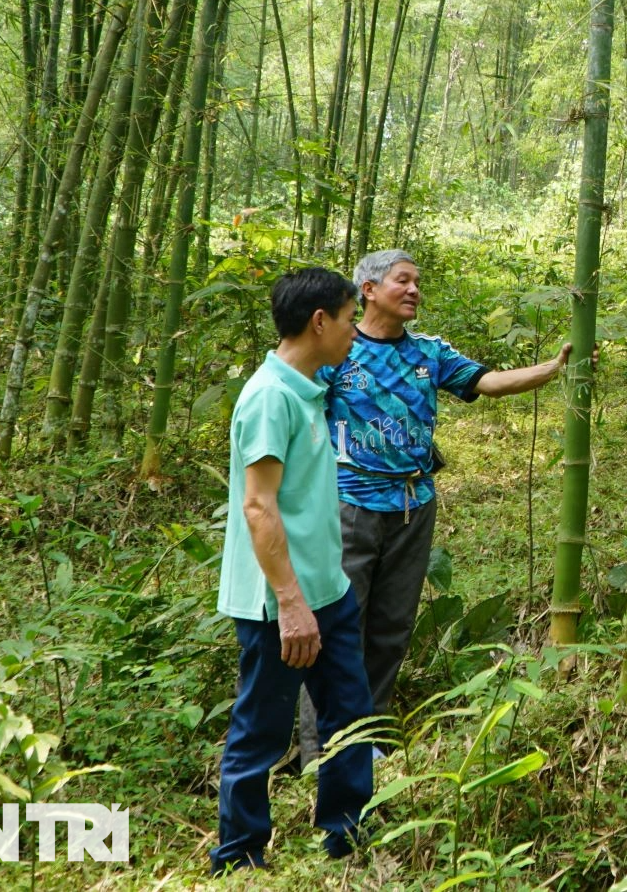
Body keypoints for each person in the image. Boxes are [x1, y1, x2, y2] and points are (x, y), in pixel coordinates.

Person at [298, 248, 570, 759]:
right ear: (370, 290)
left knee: (391, 627)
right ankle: (323, 750)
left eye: (418, 282)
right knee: (339, 626)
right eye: (403, 281)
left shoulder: (429, 352)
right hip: (348, 505)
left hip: (413, 504)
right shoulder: (337, 350)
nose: (414, 290)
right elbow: (298, 406)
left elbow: (487, 383)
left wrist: (552, 368)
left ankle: (369, 738)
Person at [212, 267, 371, 873]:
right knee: (263, 728)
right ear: (320, 321)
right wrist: (291, 603)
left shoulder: (308, 385)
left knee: (350, 718)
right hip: (279, 603)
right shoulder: (269, 397)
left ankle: (346, 838)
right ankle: (238, 857)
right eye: (351, 318)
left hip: (327, 590)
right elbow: (258, 505)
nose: (356, 331)